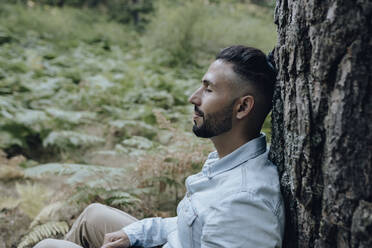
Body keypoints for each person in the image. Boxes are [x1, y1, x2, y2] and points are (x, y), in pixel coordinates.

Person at [34, 45, 284, 248]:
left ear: (242, 107)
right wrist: (135, 234)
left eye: (208, 90)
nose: (193, 97)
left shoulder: (244, 202)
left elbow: (223, 221)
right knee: (94, 215)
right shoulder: (228, 161)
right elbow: (195, 225)